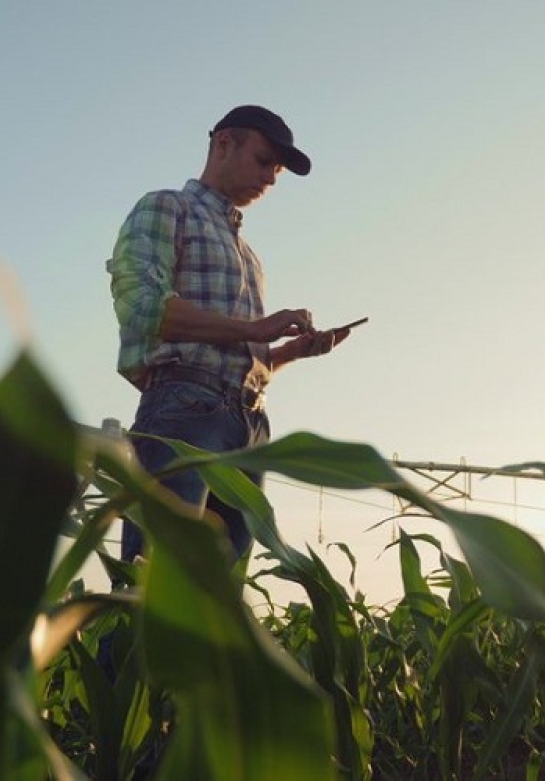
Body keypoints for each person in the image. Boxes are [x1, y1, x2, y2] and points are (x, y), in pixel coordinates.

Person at [106, 104, 351, 576]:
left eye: (278, 170)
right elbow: (142, 307)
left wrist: (288, 353)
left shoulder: (249, 256)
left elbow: (234, 356)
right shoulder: (166, 208)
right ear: (223, 144)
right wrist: (255, 329)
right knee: (155, 581)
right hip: (185, 409)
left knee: (218, 597)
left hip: (249, 424)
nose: (272, 178)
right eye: (264, 161)